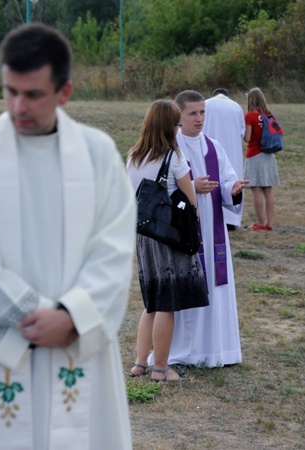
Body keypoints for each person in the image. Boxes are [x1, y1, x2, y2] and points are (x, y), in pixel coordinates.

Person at [0, 24, 136, 450]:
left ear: (64, 92)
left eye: (33, 95)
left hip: (76, 342)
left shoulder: (98, 155)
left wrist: (72, 316)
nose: (17, 106)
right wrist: (37, 317)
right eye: (10, 91)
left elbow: (116, 250)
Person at [157, 90, 249, 368]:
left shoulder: (214, 147)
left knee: (215, 286)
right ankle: (188, 350)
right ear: (179, 116)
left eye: (202, 112)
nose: (199, 119)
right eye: (193, 113)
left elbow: (227, 181)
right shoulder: (170, 148)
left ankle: (218, 350)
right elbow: (158, 187)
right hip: (185, 231)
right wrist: (191, 187)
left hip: (212, 231)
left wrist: (231, 190)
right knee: (189, 285)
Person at [126, 99, 209, 381]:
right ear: (168, 126)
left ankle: (140, 363)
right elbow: (190, 198)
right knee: (167, 303)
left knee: (151, 302)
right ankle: (161, 368)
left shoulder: (134, 156)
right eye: (175, 123)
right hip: (168, 237)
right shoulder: (173, 157)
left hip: (144, 236)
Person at [202, 88, 247, 230]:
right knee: (232, 181)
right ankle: (231, 220)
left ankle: (209, 217)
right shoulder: (236, 107)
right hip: (232, 149)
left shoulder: (205, 104)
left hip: (208, 148)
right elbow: (242, 132)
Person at [244, 87, 280, 231]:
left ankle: (260, 223)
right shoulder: (269, 114)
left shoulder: (250, 116)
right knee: (268, 191)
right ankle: (269, 224)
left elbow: (247, 138)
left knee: (256, 190)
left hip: (255, 155)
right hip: (269, 155)